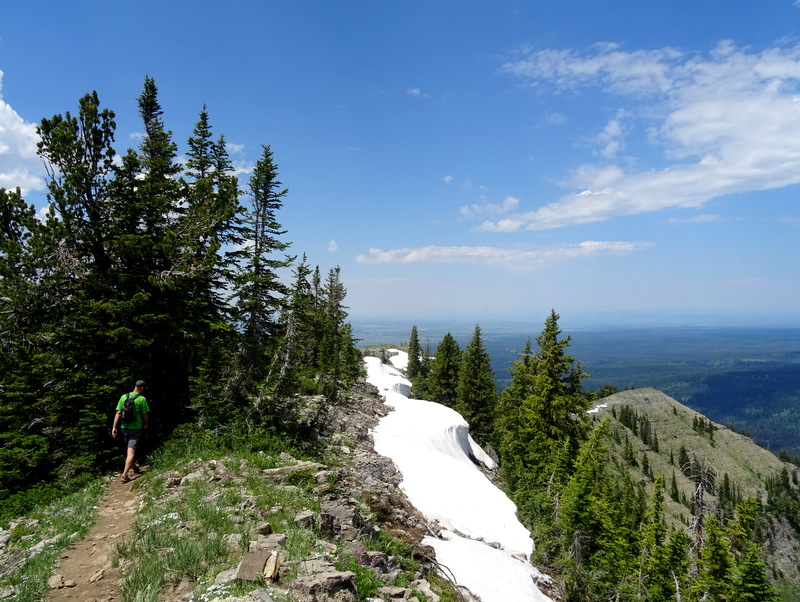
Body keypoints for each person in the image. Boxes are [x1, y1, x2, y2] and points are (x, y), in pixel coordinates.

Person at [112, 379, 150, 483]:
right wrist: (146, 424)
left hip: (124, 427)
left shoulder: (124, 397)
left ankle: (135, 467)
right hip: (135, 428)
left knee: (129, 449)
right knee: (131, 451)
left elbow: (118, 413)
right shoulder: (142, 399)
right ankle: (124, 475)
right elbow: (145, 414)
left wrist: (114, 427)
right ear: (141, 388)